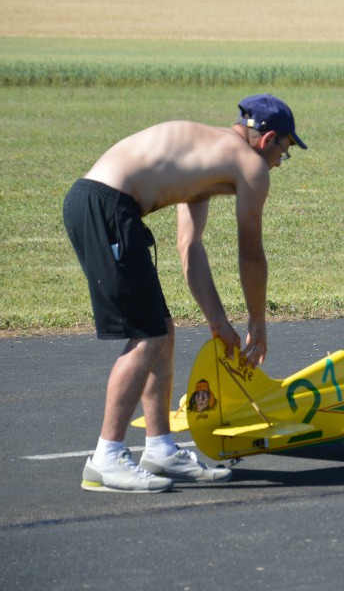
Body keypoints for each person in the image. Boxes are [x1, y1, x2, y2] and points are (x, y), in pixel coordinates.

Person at [63, 94, 307, 494]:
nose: (281, 162)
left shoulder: (207, 158)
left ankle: (159, 449)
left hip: (99, 203)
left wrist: (219, 324)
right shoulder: (250, 166)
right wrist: (258, 323)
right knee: (148, 337)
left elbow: (189, 249)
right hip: (106, 205)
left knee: (161, 329)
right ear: (268, 140)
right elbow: (251, 256)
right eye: (286, 151)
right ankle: (106, 457)